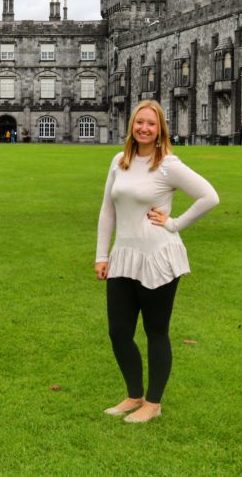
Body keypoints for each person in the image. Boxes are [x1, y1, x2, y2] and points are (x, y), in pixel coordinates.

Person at [96, 99, 219, 423]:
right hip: (123, 256)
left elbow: (209, 196)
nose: (144, 128)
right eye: (139, 122)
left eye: (151, 123)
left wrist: (174, 223)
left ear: (160, 129)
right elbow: (107, 210)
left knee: (155, 331)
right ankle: (134, 395)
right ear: (131, 126)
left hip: (158, 256)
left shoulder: (168, 165)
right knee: (118, 332)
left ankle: (153, 402)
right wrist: (101, 255)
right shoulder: (119, 161)